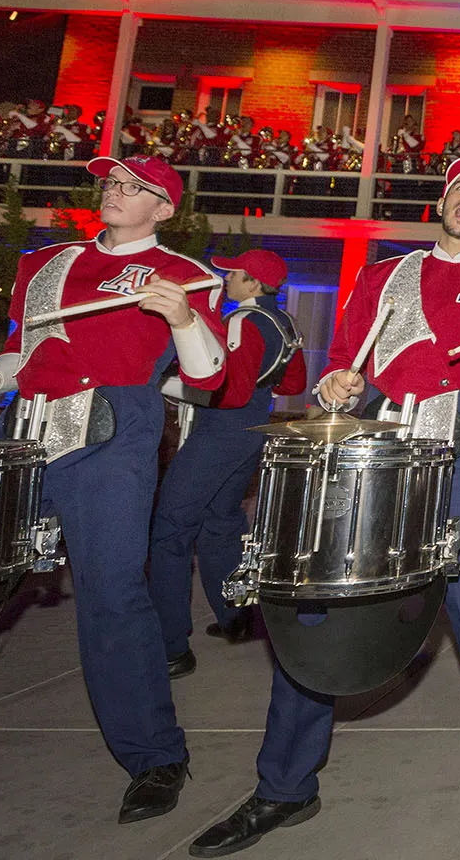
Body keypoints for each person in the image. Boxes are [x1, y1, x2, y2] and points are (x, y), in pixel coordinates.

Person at [188, 156, 460, 853]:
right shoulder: (383, 276)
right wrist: (336, 385)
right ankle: (284, 787)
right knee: (321, 606)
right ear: (442, 201)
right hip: (369, 446)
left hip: (454, 448)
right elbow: (344, 367)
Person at [0, 156, 226, 830]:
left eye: (133, 186)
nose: (114, 191)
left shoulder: (184, 275)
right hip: (26, 435)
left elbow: (208, 375)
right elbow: (24, 352)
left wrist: (182, 319)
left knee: (113, 598)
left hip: (114, 435)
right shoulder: (46, 265)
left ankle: (154, 756)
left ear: (164, 207)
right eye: (110, 182)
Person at [147, 248, 307, 677]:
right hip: (255, 427)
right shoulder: (284, 321)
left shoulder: (243, 320)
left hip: (223, 428)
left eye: (233, 273)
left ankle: (170, 645)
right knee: (221, 520)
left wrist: (167, 385)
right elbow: (294, 382)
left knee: (170, 528)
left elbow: (229, 391)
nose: (226, 278)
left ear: (252, 283)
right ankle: (235, 618)